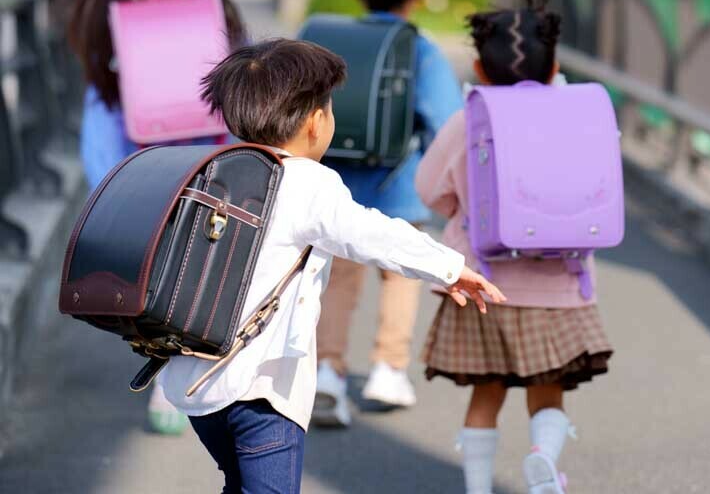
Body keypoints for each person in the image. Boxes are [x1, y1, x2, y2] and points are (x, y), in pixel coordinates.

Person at [158, 38, 505, 493]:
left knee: (237, 482)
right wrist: (447, 266)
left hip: (197, 385)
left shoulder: (212, 169)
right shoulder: (307, 183)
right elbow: (372, 233)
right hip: (263, 393)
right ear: (316, 122)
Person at [415, 0, 615, 494]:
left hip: (486, 286)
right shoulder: (581, 112)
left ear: (479, 70)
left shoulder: (468, 121)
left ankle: (478, 487)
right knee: (548, 394)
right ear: (553, 68)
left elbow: (431, 191)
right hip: (559, 286)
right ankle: (543, 460)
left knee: (486, 396)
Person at [68, 0, 245, 435]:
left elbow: (101, 120)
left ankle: (168, 380)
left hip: (141, 172)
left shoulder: (111, 26)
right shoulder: (215, 17)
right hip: (208, 169)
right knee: (201, 277)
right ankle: (190, 380)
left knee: (156, 285)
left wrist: (109, 190)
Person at [312, 0, 463, 426]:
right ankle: (386, 369)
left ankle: (328, 374)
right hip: (401, 191)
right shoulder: (420, 50)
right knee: (401, 280)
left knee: (337, 284)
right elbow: (447, 123)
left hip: (336, 190)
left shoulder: (328, 40)